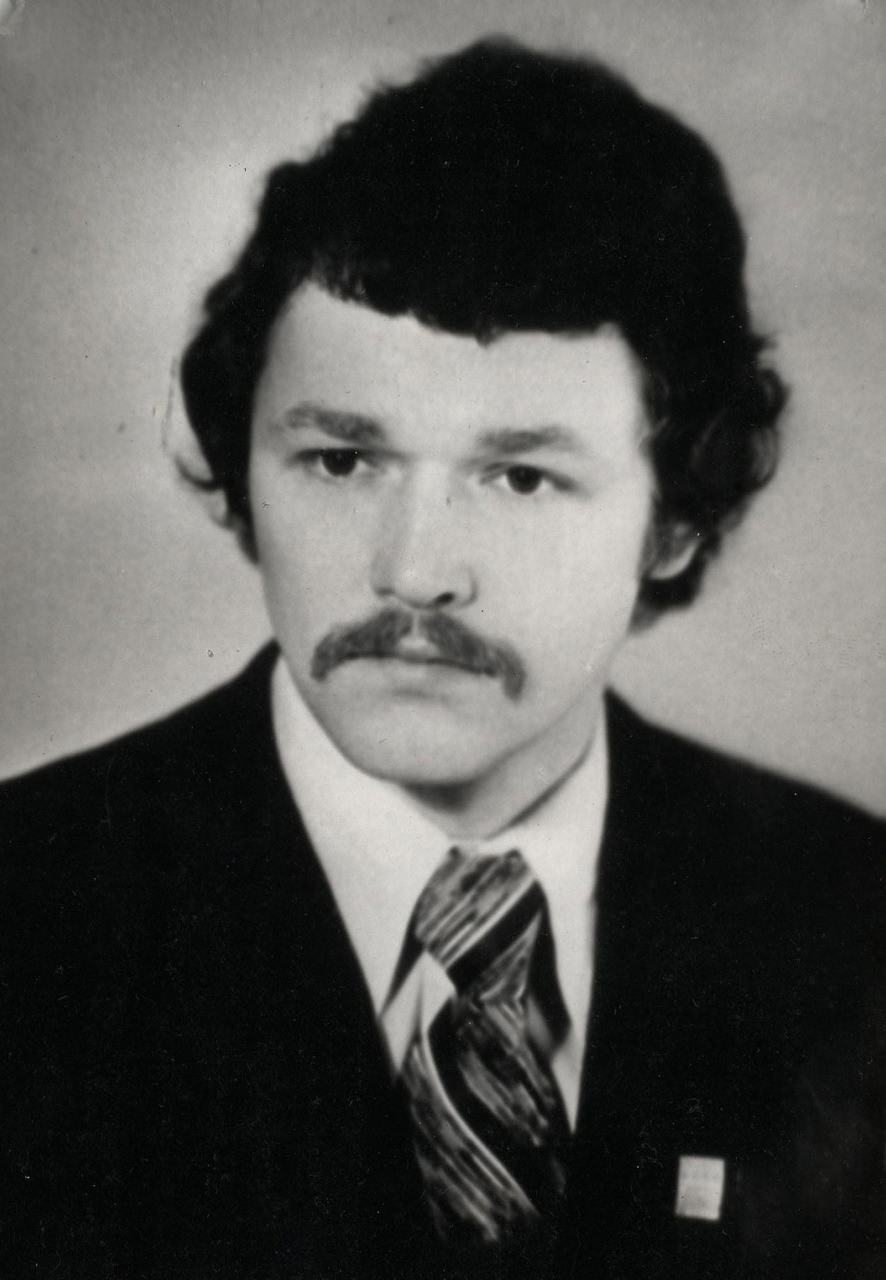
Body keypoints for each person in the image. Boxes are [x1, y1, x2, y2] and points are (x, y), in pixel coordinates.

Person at [1, 36, 883, 1280]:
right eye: (341, 460)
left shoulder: (851, 922)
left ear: (675, 520)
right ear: (246, 462)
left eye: (519, 475)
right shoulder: (30, 910)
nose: (414, 571)